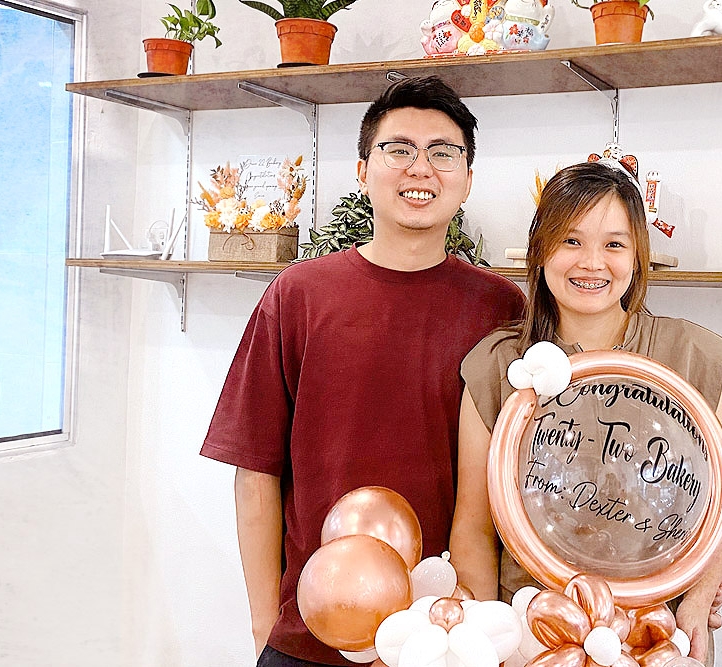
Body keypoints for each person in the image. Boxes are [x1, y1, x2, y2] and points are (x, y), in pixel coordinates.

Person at [201, 75, 526, 667]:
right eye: (398, 149)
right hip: (310, 635)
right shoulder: (298, 294)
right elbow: (255, 471)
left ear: (467, 180)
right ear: (362, 171)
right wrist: (262, 623)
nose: (419, 169)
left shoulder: (501, 308)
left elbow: (528, 473)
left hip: (451, 635)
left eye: (443, 152)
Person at [449, 161, 722, 665]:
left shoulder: (689, 357)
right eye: (571, 241)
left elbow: (721, 511)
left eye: (614, 244)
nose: (591, 263)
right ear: (541, 251)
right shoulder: (498, 365)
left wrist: (696, 604)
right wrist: (483, 640)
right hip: (533, 633)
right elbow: (473, 529)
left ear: (636, 257)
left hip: (657, 635)